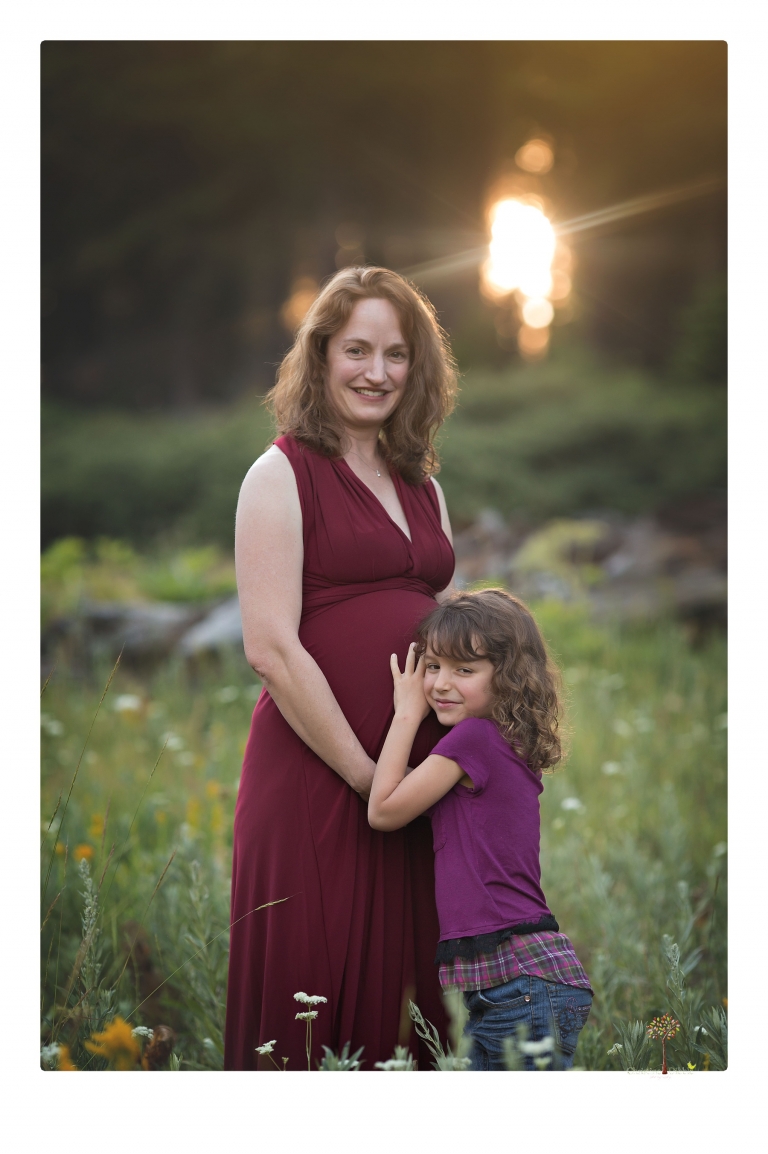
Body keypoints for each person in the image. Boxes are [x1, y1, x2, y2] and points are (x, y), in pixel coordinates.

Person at [225, 266, 457, 1070]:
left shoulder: (423, 483)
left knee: (409, 1015)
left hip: (413, 789)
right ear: (321, 357)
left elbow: (449, 638)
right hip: (320, 784)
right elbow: (272, 649)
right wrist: (370, 780)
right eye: (356, 350)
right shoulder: (280, 473)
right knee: (305, 1014)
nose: (376, 372)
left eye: (396, 354)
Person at [368, 589, 593, 1071]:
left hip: (518, 982)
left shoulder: (474, 740)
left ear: (508, 677)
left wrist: (407, 712)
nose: (440, 684)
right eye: (431, 667)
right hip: (517, 982)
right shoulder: (497, 744)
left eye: (464, 670)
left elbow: (384, 810)